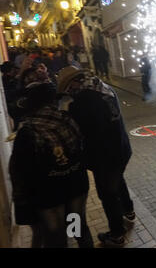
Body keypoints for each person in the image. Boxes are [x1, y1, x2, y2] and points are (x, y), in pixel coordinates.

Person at [56, 66, 134, 247]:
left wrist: (68, 111)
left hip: (104, 156)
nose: (68, 91)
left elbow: (83, 132)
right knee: (118, 180)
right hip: (121, 148)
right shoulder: (103, 87)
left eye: (68, 87)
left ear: (74, 82)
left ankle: (117, 234)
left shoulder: (82, 100)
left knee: (107, 194)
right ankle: (128, 210)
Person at [9, 80, 93, 248]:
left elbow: (19, 170)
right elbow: (82, 148)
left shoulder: (29, 131)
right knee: (76, 227)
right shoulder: (67, 119)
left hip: (48, 195)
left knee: (55, 236)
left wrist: (21, 200)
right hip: (75, 186)